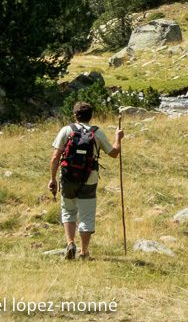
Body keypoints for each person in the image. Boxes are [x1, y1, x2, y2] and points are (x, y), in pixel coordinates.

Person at [49, 101, 123, 260]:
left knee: (68, 210)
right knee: (87, 215)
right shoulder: (97, 133)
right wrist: (118, 137)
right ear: (91, 116)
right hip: (90, 178)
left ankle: (70, 243)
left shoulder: (66, 130)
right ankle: (84, 252)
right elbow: (114, 153)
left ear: (75, 115)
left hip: (68, 177)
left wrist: (52, 179)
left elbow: (55, 158)